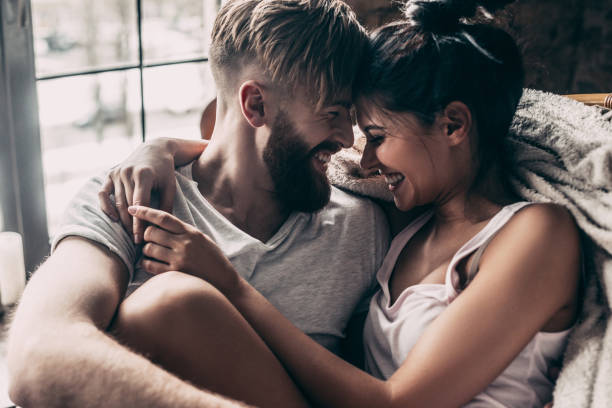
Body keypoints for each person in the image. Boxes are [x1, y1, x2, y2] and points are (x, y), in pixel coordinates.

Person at [100, 0, 582, 406]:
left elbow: (396, 403)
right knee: (158, 311)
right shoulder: (406, 226)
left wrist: (229, 284)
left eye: (376, 136)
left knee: (174, 303)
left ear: (454, 125)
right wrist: (160, 148)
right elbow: (243, 139)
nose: (363, 161)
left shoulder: (538, 234)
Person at [6, 1, 390, 407]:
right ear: (255, 105)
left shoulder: (361, 227)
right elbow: (37, 355)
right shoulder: (129, 198)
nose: (348, 139)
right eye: (332, 113)